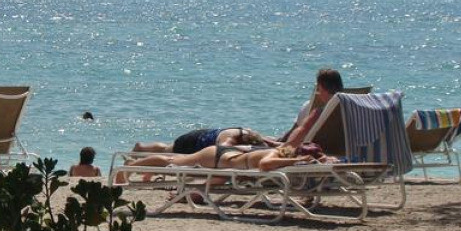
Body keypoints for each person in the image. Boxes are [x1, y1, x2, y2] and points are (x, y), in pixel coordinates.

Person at [115, 143, 332, 184]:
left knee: (175, 162)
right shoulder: (276, 154)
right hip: (218, 157)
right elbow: (265, 165)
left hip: (226, 161)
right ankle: (128, 168)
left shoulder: (282, 158)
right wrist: (298, 160)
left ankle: (134, 167)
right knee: (173, 162)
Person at [281, 68, 345, 148]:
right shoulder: (351, 109)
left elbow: (295, 138)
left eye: (318, 88)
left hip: (320, 151)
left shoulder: (320, 113)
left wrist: (281, 149)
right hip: (347, 150)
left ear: (320, 87)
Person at [133, 126, 278, 156]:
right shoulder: (228, 140)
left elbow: (266, 141)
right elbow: (220, 151)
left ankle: (142, 148)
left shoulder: (250, 134)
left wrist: (275, 145)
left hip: (204, 134)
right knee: (168, 150)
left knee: (168, 148)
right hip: (194, 141)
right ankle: (141, 148)